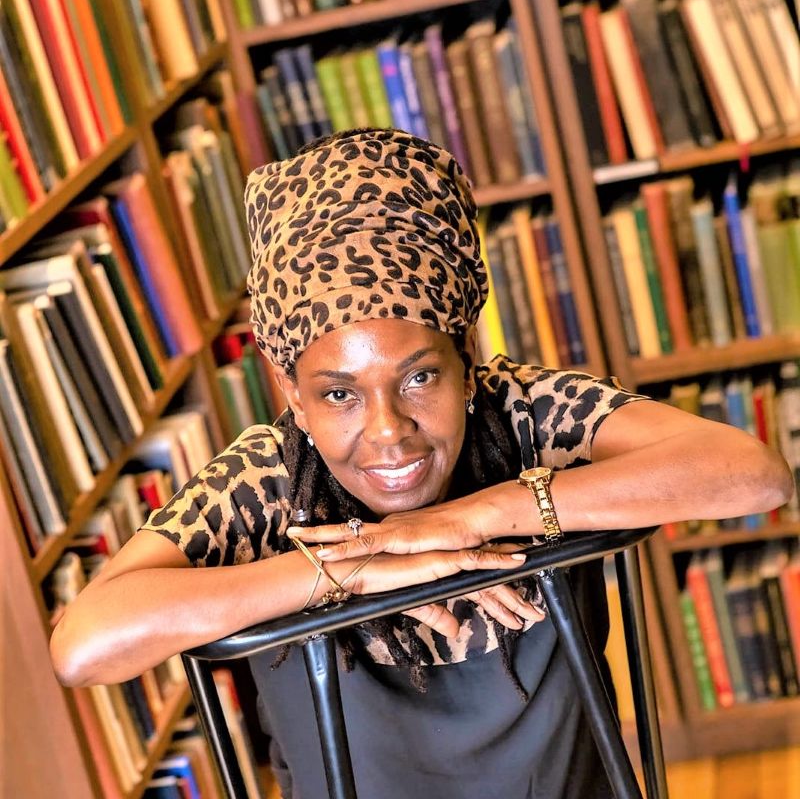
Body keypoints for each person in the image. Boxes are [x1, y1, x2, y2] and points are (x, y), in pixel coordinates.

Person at [51, 129, 792, 798]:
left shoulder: (524, 414)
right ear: (292, 393)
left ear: (466, 356)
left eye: (418, 377)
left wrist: (471, 516)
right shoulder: (267, 479)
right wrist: (347, 572)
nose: (389, 433)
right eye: (339, 393)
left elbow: (750, 472)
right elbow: (85, 646)